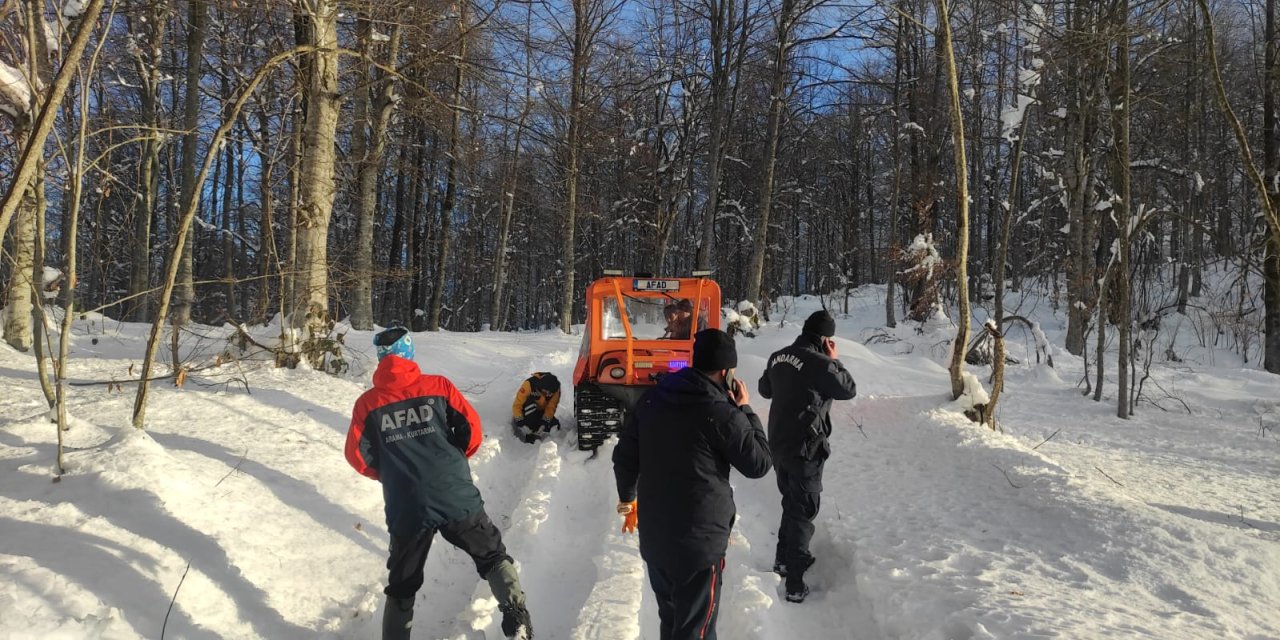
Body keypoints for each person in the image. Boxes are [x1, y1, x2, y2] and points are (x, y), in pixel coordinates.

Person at [345, 327, 534, 640]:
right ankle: (517, 616)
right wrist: (454, 462)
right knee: (491, 555)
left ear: (380, 358)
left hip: (406, 505)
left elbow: (358, 457)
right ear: (409, 353)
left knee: (402, 584)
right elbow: (472, 431)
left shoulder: (367, 404)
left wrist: (392, 474)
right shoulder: (439, 387)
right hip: (454, 493)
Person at [613, 329, 771, 639]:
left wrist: (627, 500)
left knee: (672, 621)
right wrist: (746, 409)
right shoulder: (721, 412)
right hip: (698, 547)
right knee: (695, 631)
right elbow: (759, 463)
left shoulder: (652, 400)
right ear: (725, 372)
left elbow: (624, 459)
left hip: (656, 538)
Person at [757, 309, 856, 603]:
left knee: (791, 500)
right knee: (804, 509)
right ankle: (795, 584)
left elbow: (764, 389)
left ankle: (783, 560)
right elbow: (848, 389)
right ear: (825, 338)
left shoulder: (778, 356)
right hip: (806, 446)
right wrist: (833, 359)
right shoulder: (821, 362)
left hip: (778, 442)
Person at [511, 372, 561, 443]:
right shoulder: (529, 384)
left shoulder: (555, 390)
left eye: (550, 393)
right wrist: (520, 422)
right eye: (546, 392)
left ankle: (537, 431)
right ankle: (528, 433)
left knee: (554, 425)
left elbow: (551, 408)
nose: (548, 395)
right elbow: (517, 405)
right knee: (531, 408)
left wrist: (544, 423)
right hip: (526, 411)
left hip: (540, 412)